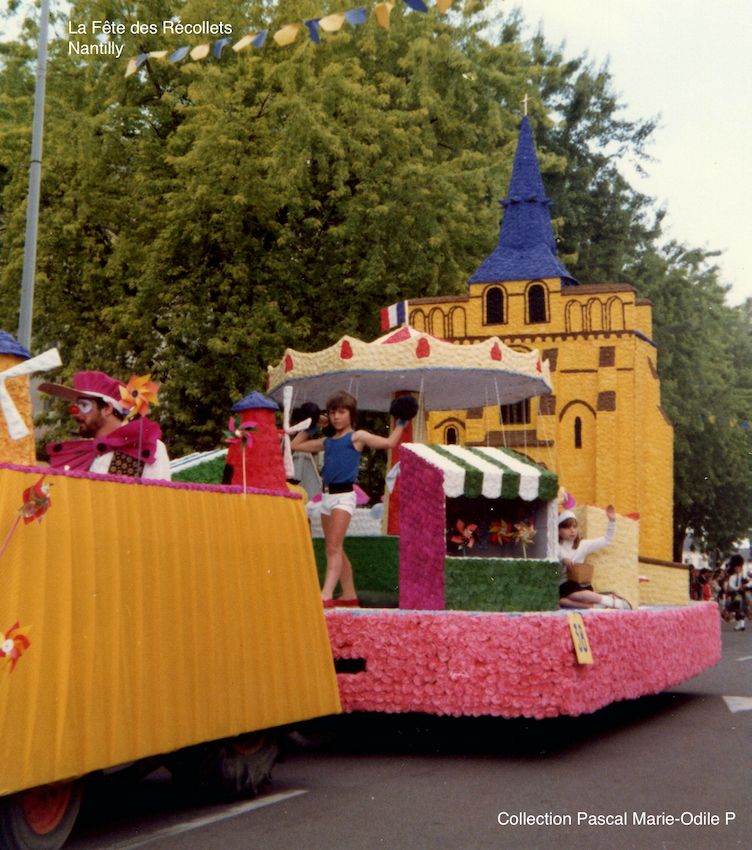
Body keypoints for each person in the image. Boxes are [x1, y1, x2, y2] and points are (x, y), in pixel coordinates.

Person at [291, 391, 415, 607]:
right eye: (332, 412)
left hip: (343, 497)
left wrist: (402, 422)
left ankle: (326, 594)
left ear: (351, 414)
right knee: (335, 547)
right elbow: (296, 446)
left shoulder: (357, 437)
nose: (336, 417)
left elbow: (389, 443)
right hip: (326, 497)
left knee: (333, 548)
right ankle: (349, 595)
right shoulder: (328, 441)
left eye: (341, 412)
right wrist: (312, 427)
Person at [39, 371, 171, 480]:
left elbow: (159, 502)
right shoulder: (82, 455)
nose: (76, 414)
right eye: (75, 407)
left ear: (107, 408)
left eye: (84, 406)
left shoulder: (149, 448)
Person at [557, 506, 631, 609]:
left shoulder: (582, 545)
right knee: (563, 601)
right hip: (563, 585)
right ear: (558, 530)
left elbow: (606, 540)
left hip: (578, 584)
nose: (572, 530)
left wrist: (612, 521)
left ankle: (613, 602)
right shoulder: (556, 546)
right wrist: (563, 559)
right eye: (567, 527)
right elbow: (558, 555)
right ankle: (596, 606)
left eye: (574, 527)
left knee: (576, 595)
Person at [725, 554, 748, 631]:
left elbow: (749, 582)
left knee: (741, 609)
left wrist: (746, 585)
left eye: (739, 567)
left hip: (743, 594)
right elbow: (731, 586)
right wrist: (738, 588)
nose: (737, 569)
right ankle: (739, 624)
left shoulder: (744, 576)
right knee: (736, 609)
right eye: (736, 567)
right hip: (735, 594)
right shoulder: (732, 577)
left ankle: (742, 624)